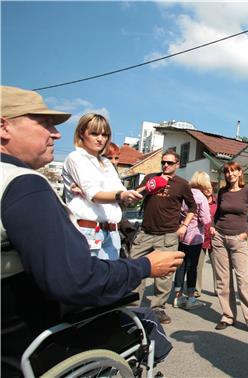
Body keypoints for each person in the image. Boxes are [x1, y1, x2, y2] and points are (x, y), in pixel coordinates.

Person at [0, 86, 185, 376]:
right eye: (44, 123)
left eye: (104, 134)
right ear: (4, 126)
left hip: (108, 233)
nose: (55, 133)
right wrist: (145, 266)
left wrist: (125, 202)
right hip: (32, 342)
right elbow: (74, 281)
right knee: (140, 316)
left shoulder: (105, 165)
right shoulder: (24, 184)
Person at [130, 149, 197, 325]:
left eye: (169, 163)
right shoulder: (150, 177)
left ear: (177, 165)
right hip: (145, 232)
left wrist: (183, 226)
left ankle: (158, 308)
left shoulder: (182, 184)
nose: (165, 165)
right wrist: (150, 185)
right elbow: (135, 196)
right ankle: (132, 307)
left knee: (164, 275)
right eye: (163, 162)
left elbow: (192, 207)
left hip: (168, 234)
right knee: (136, 269)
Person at [62, 113, 142, 260]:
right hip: (88, 229)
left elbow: (119, 192)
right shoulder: (76, 158)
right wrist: (120, 195)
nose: (100, 139)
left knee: (111, 279)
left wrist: (129, 197)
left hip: (112, 231)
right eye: (94, 133)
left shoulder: (106, 163)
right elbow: (94, 194)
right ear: (81, 133)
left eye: (104, 135)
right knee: (88, 278)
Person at [211, 161, 248, 338]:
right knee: (223, 280)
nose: (230, 175)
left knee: (244, 281)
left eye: (233, 171)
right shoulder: (222, 192)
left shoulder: (247, 190)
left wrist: (246, 233)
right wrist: (212, 227)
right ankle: (228, 316)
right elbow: (218, 214)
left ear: (240, 172)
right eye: (227, 172)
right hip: (219, 237)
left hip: (238, 239)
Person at [173, 171, 211, 310]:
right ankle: (191, 298)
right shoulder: (201, 197)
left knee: (180, 265)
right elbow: (205, 219)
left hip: (181, 234)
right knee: (192, 267)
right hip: (195, 236)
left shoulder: (185, 193)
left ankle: (178, 296)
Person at [196, 172, 219, 297]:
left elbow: (220, 219)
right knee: (198, 266)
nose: (208, 190)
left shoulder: (217, 203)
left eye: (210, 188)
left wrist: (215, 228)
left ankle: (218, 289)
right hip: (201, 236)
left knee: (217, 266)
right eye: (206, 188)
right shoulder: (200, 201)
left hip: (214, 237)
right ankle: (196, 289)